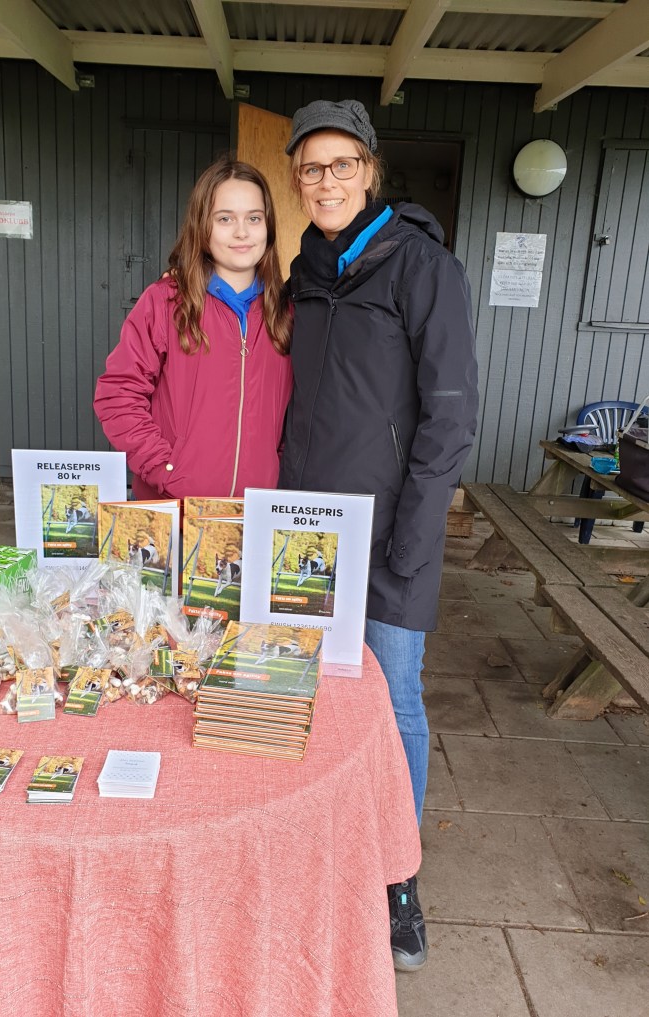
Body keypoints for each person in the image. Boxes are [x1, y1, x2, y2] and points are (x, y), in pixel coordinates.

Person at [280, 99, 478, 972]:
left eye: (342, 164)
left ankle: (397, 878)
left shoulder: (422, 267)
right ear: (298, 178)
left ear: (369, 170)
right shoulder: (304, 271)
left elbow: (451, 415)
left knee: (393, 699)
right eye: (311, 168)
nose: (326, 181)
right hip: (308, 532)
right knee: (310, 692)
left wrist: (416, 533)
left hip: (395, 530)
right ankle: (319, 839)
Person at [94, 157, 293, 499]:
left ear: (268, 227)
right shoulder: (165, 302)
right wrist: (164, 468)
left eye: (254, 218)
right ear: (203, 226)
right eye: (225, 218)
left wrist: (279, 472)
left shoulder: (287, 312)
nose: (242, 232)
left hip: (255, 513)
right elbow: (118, 394)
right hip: (176, 507)